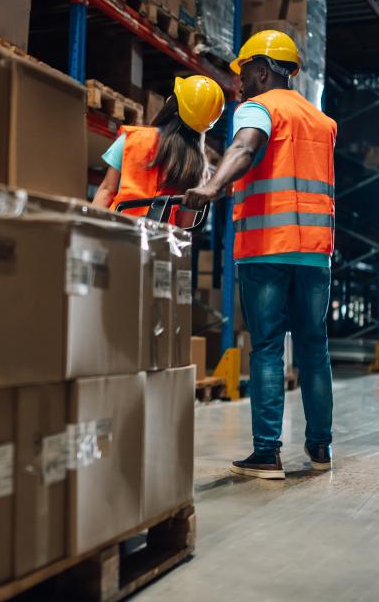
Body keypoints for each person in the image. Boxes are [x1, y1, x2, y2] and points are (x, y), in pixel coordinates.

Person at [183, 29, 338, 480]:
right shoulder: (321, 121)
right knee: (315, 348)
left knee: (268, 348)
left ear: (265, 70)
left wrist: (211, 186)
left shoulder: (258, 108)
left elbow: (246, 146)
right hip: (314, 252)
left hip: (266, 249)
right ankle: (320, 448)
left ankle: (267, 454)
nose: (240, 83)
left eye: (245, 73)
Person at [92, 75, 225, 219]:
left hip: (120, 231)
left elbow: (107, 191)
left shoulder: (132, 139)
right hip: (162, 239)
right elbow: (186, 223)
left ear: (171, 102)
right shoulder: (197, 166)